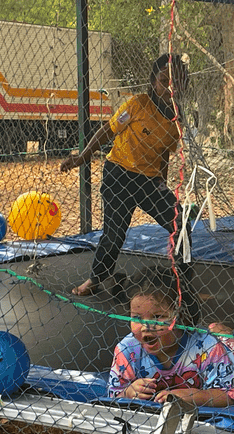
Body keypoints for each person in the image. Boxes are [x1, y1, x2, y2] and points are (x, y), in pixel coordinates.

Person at [61, 53, 191, 297]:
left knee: (181, 223)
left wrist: (161, 183)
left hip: (150, 182)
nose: (169, 87)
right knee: (115, 233)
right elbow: (107, 131)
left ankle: (183, 282)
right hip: (119, 175)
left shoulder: (176, 120)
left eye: (176, 82)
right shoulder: (138, 104)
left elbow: (163, 154)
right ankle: (95, 279)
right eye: (164, 80)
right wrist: (83, 157)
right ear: (154, 82)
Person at [108, 266, 234, 406]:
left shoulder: (209, 347)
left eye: (158, 317)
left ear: (180, 316)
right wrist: (128, 393)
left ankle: (222, 332)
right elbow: (113, 396)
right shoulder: (127, 350)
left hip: (233, 357)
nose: (147, 327)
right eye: (137, 318)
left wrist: (193, 396)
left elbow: (227, 395)